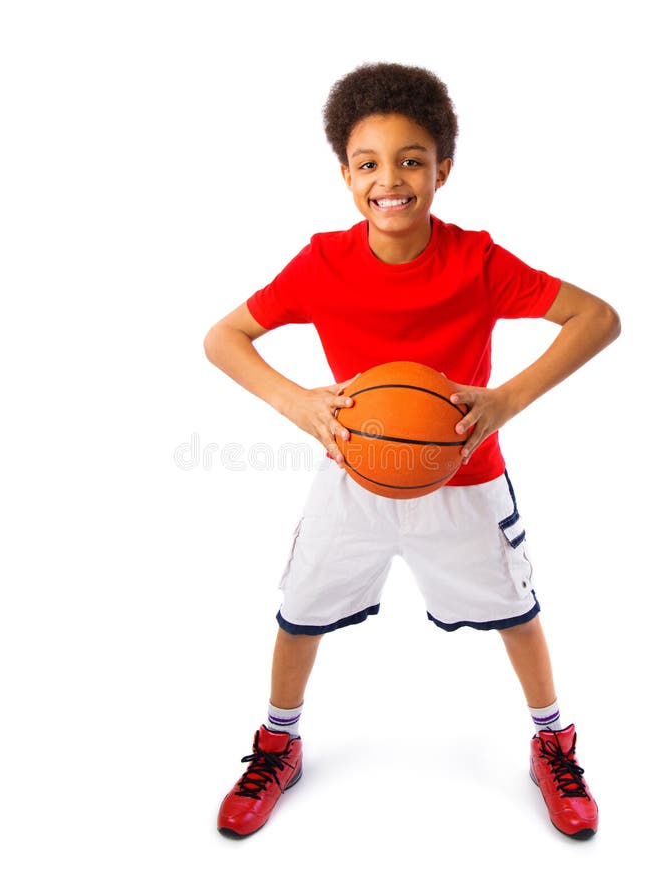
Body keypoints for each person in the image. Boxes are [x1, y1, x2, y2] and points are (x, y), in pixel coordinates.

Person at [203, 62, 620, 840]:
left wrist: (504, 401)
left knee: (515, 614)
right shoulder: (321, 262)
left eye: (410, 160)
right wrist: (297, 403)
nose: (388, 180)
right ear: (344, 175)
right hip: (352, 476)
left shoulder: (478, 261)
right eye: (368, 163)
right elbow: (223, 338)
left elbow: (596, 318)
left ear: (442, 169)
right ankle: (278, 743)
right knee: (298, 616)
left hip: (464, 481)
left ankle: (551, 742)